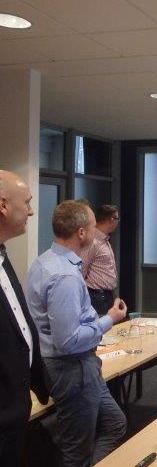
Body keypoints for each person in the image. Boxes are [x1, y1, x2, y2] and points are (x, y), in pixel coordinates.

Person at [27, 200, 128, 467]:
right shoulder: (65, 276)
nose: (97, 232)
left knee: (115, 424)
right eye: (94, 227)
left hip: (77, 365)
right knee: (76, 452)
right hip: (72, 368)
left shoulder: (45, 261)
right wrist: (109, 319)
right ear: (81, 232)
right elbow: (68, 340)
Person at [0, 170, 48, 467]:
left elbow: (19, 327)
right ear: (3, 205)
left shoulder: (3, 257)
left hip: (17, 409)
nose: (31, 211)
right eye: (27, 202)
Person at [80, 204, 120, 316]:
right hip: (97, 296)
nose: (117, 222)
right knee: (102, 325)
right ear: (111, 220)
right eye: (117, 219)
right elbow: (82, 268)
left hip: (106, 295)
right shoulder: (93, 241)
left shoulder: (104, 240)